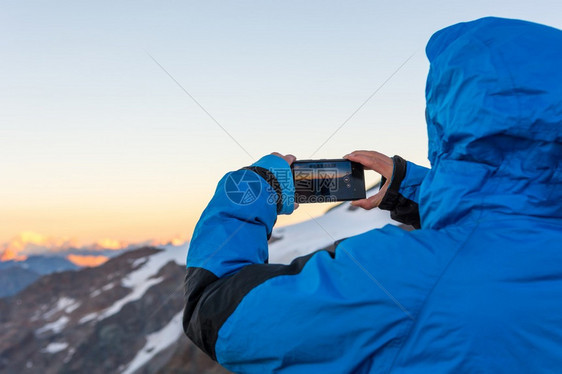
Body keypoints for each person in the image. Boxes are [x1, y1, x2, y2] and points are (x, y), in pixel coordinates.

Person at [182, 17, 562, 373]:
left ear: (451, 117)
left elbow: (218, 315)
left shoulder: (403, 275)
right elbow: (518, 208)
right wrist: (414, 189)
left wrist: (248, 194)